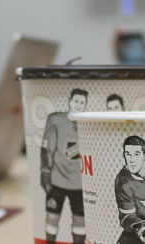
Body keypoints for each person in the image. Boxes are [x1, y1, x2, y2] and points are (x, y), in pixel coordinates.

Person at [40, 88, 88, 244]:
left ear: (85, 104)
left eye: (82, 102)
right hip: (57, 180)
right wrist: (45, 173)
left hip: (79, 184)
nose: (78, 105)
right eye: (76, 101)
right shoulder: (56, 121)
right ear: (70, 101)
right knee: (52, 218)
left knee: (80, 221)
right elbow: (47, 148)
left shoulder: (88, 124)